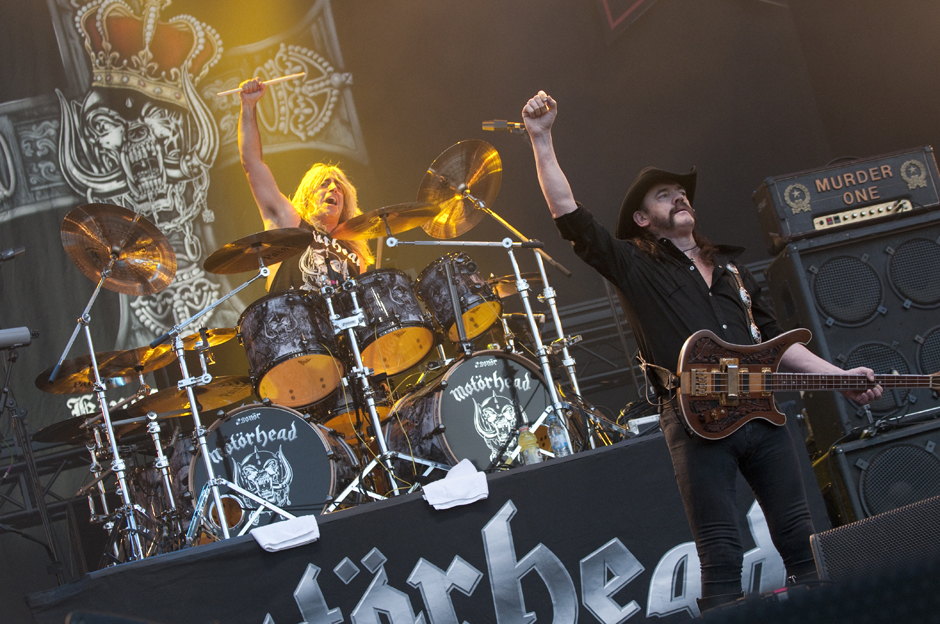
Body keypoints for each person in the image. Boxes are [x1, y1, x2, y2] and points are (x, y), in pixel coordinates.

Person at [520, 90, 883, 612]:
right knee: (720, 558)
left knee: (804, 545)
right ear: (643, 220)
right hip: (696, 421)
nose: (679, 198)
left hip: (763, 413)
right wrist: (542, 138)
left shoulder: (736, 274)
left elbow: (777, 348)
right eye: (664, 196)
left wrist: (842, 376)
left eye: (681, 193)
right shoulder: (633, 264)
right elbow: (569, 216)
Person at [237, 77, 372, 292]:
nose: (333, 189)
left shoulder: (355, 258)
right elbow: (253, 165)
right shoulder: (290, 223)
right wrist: (248, 106)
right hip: (291, 322)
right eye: (324, 184)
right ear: (307, 195)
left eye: (339, 187)